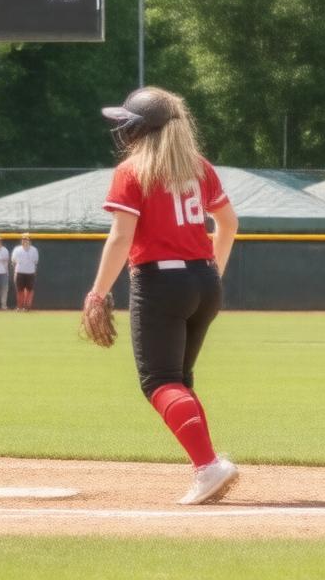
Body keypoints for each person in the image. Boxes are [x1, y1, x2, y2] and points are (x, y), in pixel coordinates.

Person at [87, 86, 239, 506]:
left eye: (127, 122)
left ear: (139, 129)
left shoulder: (133, 170)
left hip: (160, 283)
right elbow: (228, 223)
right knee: (179, 380)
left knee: (159, 381)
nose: (122, 129)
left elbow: (121, 238)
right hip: (205, 282)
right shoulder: (199, 168)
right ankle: (207, 464)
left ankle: (208, 465)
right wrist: (212, 273)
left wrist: (97, 293)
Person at [11, 234, 39, 311]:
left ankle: (27, 307)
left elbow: (36, 262)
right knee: (20, 290)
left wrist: (34, 271)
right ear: (21, 241)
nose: (25, 241)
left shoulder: (34, 250)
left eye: (26, 239)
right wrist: (15, 272)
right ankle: (20, 306)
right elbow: (13, 261)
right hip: (19, 272)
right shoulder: (17, 249)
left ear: (29, 241)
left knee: (29, 290)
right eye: (23, 239)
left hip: (30, 273)